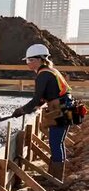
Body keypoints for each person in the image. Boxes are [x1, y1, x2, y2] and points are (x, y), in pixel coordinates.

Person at [12, 43, 74, 182]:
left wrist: (22, 110)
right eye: (27, 60)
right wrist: (34, 107)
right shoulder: (51, 71)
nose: (28, 63)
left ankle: (56, 179)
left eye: (30, 60)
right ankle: (54, 176)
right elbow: (45, 96)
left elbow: (36, 98)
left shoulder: (43, 74)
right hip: (66, 107)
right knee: (58, 142)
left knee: (56, 142)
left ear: (40, 59)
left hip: (61, 109)